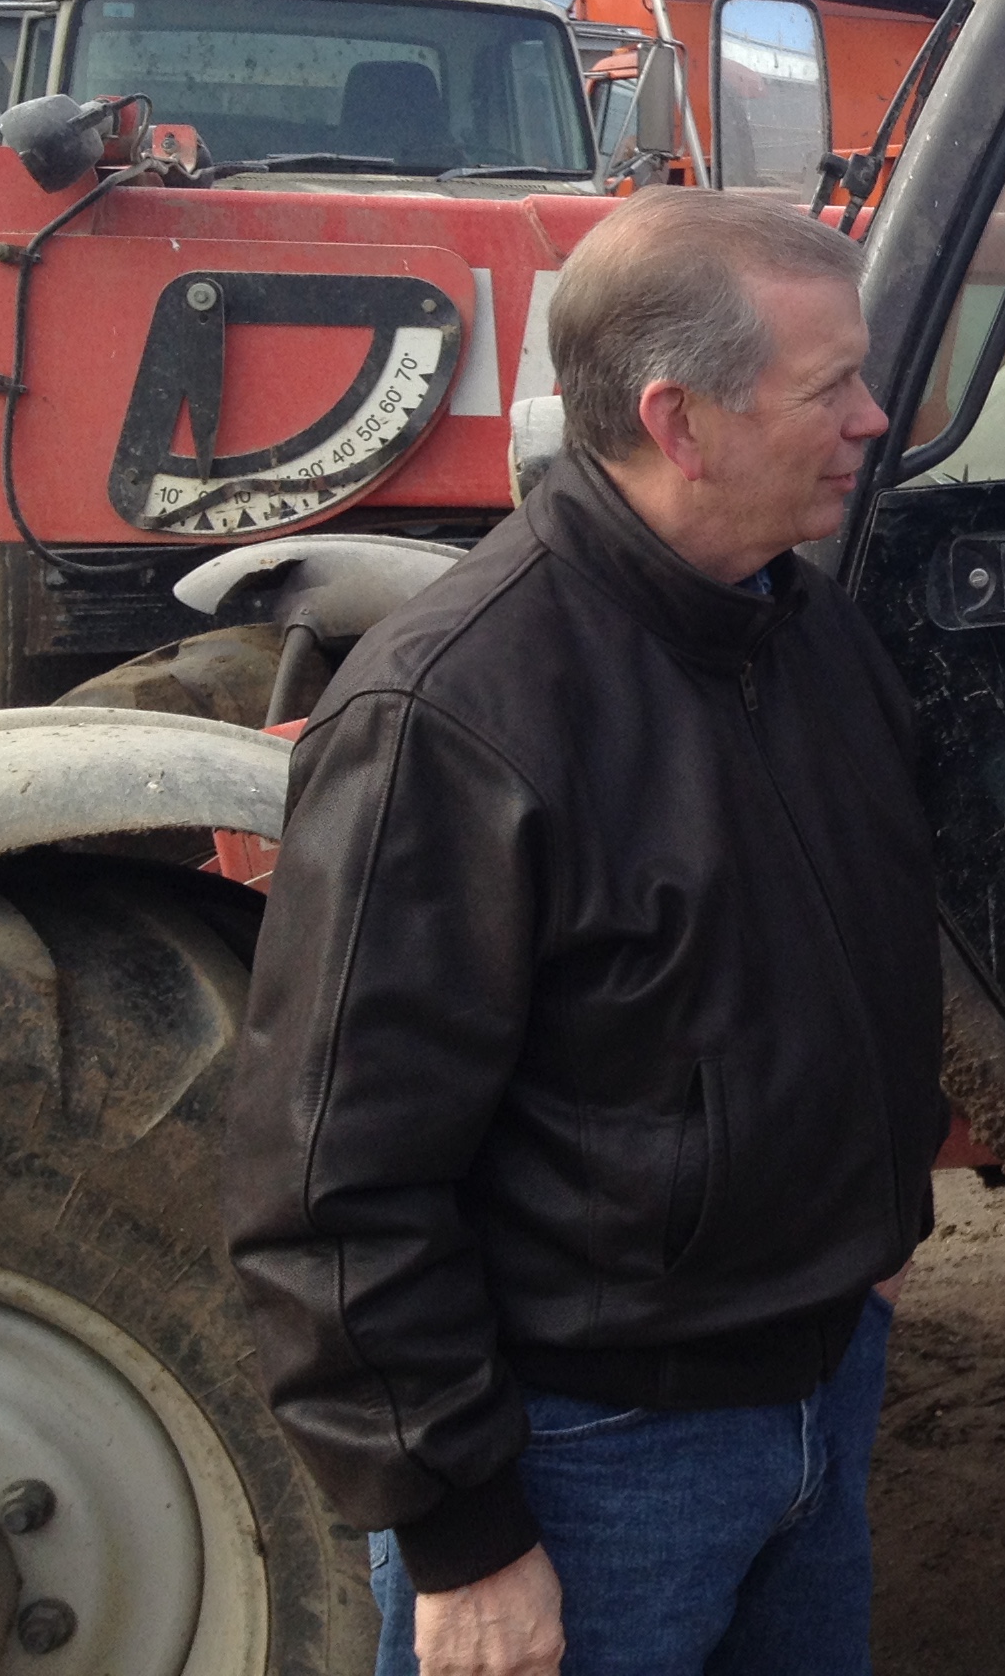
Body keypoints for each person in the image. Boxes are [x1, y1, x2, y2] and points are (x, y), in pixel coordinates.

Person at [224, 189, 949, 1676]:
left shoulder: (801, 631)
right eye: (833, 389)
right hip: (598, 1451)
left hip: (820, 1378)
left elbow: (859, 949)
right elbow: (334, 1176)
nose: (875, 419)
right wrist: (466, 1533)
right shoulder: (455, 713)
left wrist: (872, 1227)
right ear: (680, 421)